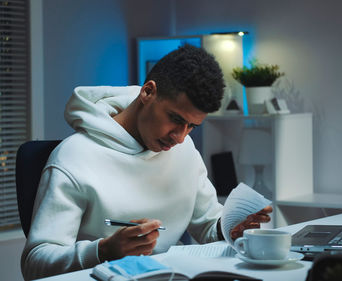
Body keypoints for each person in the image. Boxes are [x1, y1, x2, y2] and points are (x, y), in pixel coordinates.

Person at [20, 45, 272, 280]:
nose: (180, 136)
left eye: (192, 126)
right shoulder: (73, 157)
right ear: (148, 92)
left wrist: (231, 227)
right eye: (174, 118)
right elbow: (34, 263)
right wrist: (103, 250)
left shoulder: (184, 149)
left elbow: (206, 225)